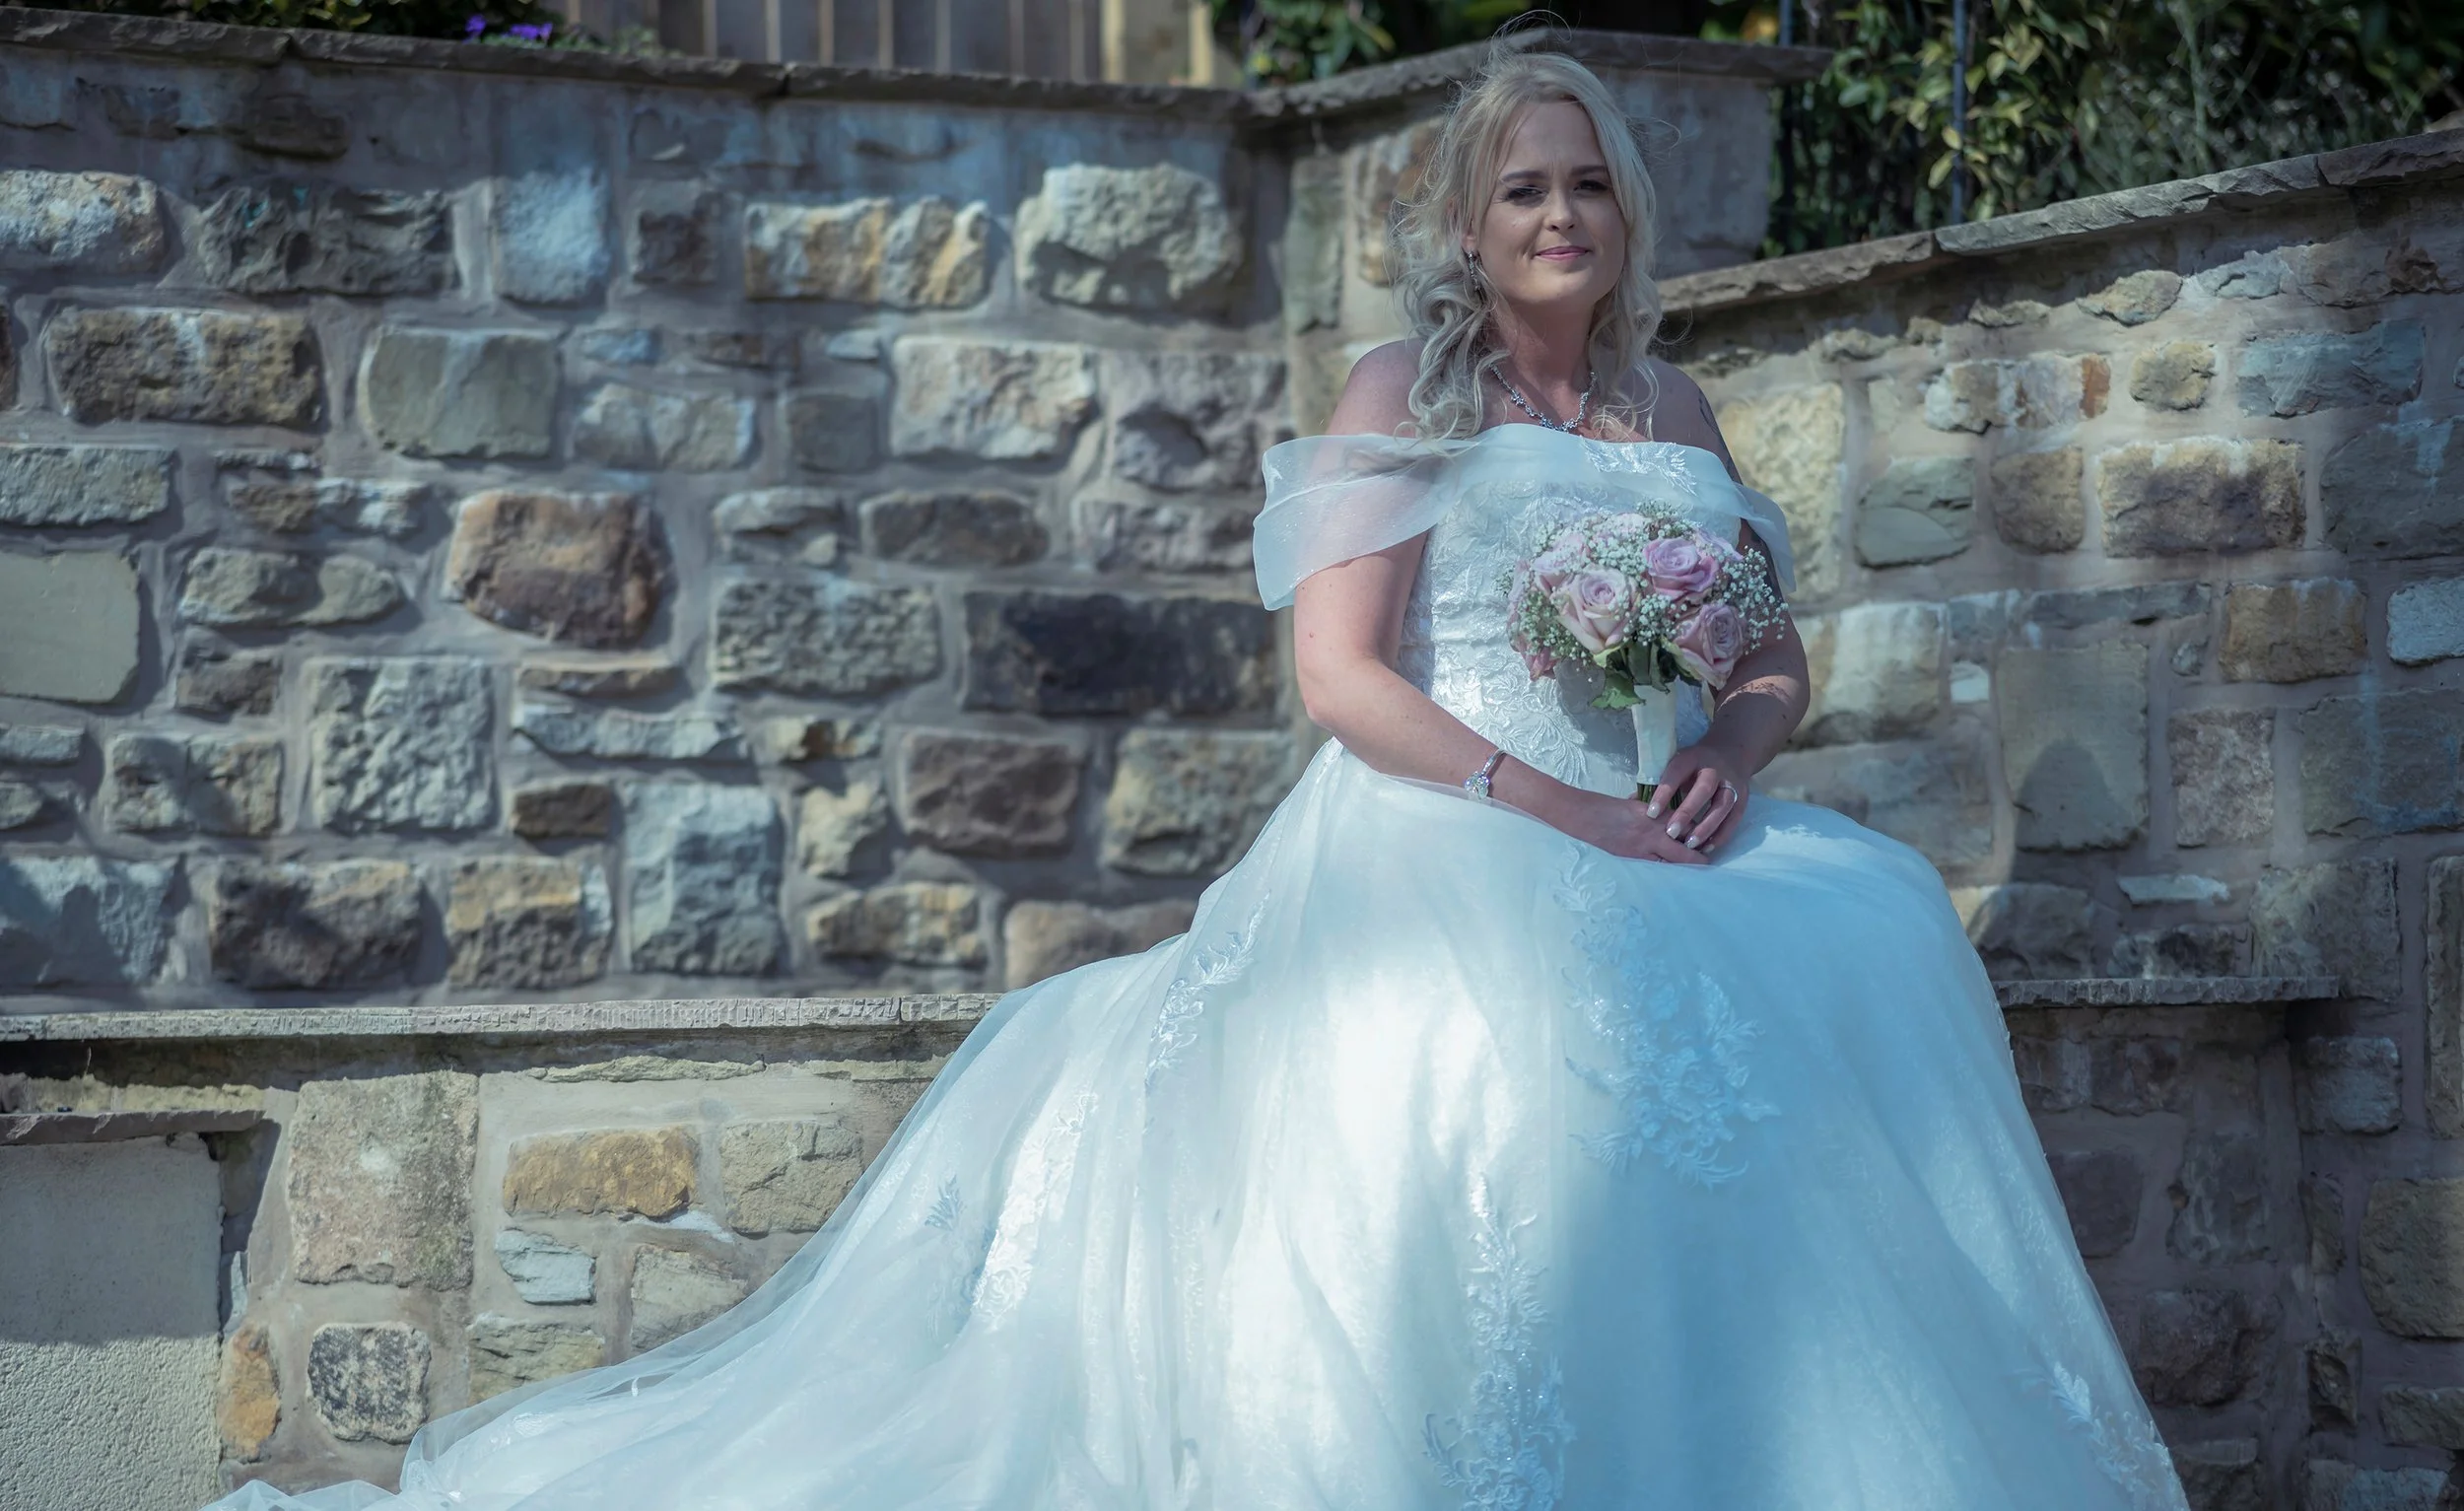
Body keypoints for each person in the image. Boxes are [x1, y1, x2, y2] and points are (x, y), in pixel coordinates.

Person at [208, 38, 2191, 1511]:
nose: (1557, 220)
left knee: (1855, 937)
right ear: (1466, 223)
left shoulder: (1673, 406)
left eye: (1583, 186)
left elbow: (1758, 650)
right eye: (1520, 193)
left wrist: (1725, 758)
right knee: (1495, 1069)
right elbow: (1339, 675)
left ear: (1623, 210)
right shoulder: (1399, 396)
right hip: (1457, 823)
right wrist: (1570, 805)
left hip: (1674, 828)